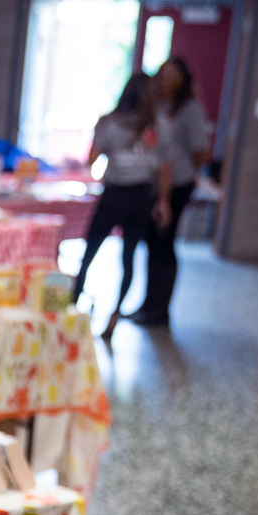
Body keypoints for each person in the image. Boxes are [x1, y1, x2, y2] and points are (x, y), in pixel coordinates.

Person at [70, 73, 171, 333]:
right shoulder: (158, 125)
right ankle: (114, 315)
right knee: (128, 258)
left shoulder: (109, 123)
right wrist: (163, 201)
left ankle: (71, 307)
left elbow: (92, 159)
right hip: (141, 197)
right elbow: (164, 168)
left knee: (90, 252)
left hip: (115, 195)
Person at [130, 56, 212, 326]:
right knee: (152, 242)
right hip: (154, 182)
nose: (168, 80)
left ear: (184, 79)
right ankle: (148, 303)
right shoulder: (156, 106)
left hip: (177, 183)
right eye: (164, 74)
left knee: (164, 241)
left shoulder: (190, 108)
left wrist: (188, 173)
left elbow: (200, 151)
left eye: (174, 75)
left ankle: (159, 309)